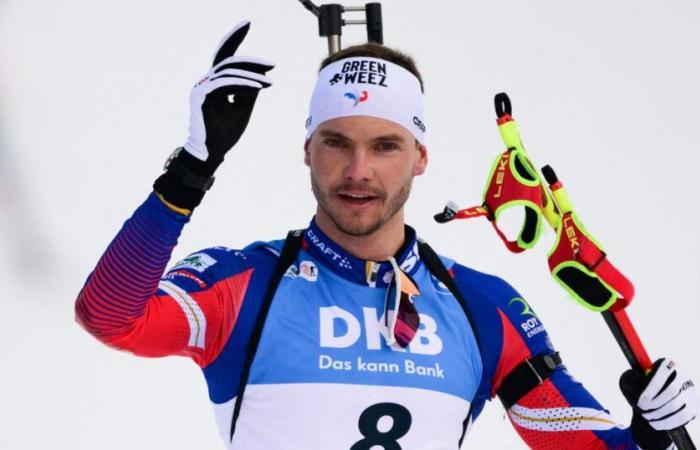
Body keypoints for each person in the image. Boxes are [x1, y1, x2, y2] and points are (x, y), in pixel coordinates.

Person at [75, 21, 697, 449]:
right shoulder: (245, 284)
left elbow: (580, 440)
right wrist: (190, 171)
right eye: (337, 143)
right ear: (307, 150)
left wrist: (648, 432)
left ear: (421, 156)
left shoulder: (482, 306)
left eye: (385, 146)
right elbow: (109, 317)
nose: (358, 171)